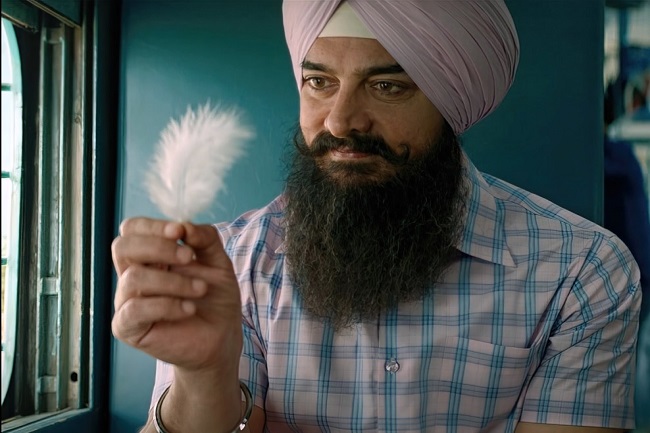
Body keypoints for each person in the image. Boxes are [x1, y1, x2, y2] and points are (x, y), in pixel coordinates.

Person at [111, 1, 642, 432]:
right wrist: (205, 375)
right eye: (319, 82)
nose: (340, 121)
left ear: (450, 101)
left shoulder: (580, 271)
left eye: (387, 86)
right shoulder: (232, 265)